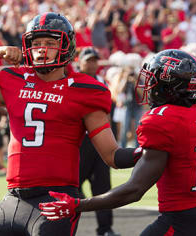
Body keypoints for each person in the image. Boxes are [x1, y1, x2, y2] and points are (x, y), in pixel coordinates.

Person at [0, 12, 142, 236]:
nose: (41, 49)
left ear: (66, 46)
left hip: (56, 199)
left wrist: (144, 152)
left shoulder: (85, 90)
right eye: (36, 43)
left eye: (50, 43)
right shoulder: (14, 80)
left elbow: (111, 156)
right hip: (13, 199)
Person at [39, 49, 196, 236]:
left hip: (179, 221)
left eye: (153, 80)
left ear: (168, 86)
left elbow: (134, 190)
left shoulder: (163, 121)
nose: (150, 86)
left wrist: (77, 205)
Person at [77, 47, 120, 236]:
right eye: (88, 60)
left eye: (95, 60)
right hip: (81, 142)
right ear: (80, 62)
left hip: (99, 141)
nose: (92, 64)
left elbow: (108, 113)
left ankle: (105, 229)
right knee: (70, 186)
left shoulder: (102, 82)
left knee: (103, 188)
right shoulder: (74, 82)